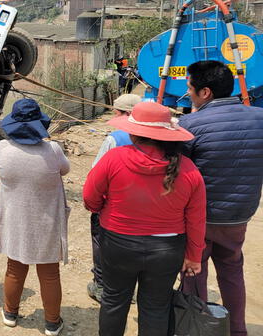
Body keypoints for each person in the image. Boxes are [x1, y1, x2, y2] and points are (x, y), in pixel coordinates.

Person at [83, 102, 206, 336]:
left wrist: (102, 209)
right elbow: (196, 218)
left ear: (134, 132)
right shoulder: (188, 168)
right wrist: (193, 256)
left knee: (113, 301)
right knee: (156, 308)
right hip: (168, 250)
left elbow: (90, 198)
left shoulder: (114, 158)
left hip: (117, 245)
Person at [179, 60, 263, 336]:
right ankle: (237, 330)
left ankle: (199, 328)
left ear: (205, 93)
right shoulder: (259, 118)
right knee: (231, 270)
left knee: (194, 272)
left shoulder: (191, 124)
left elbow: (179, 172)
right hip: (240, 214)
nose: (187, 92)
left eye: (190, 87)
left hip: (200, 218)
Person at [0, 98, 70, 336]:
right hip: (45, 223)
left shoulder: (2, 149)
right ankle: (51, 322)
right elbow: (65, 170)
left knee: (14, 269)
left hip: (14, 221)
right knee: (49, 274)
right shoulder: (53, 151)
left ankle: (10, 313)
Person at [88, 93, 142, 302]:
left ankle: (101, 286)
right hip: (142, 207)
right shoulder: (157, 138)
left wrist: (94, 205)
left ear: (127, 114)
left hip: (112, 207)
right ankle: (129, 289)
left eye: (117, 112)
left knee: (102, 244)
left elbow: (97, 174)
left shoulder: (114, 139)